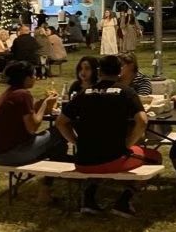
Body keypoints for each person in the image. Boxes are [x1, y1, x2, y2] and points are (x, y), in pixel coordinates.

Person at [56, 55, 154, 217]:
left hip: (83, 161)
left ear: (99, 71)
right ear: (120, 71)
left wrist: (75, 141)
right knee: (154, 159)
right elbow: (142, 121)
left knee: (99, 157)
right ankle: (124, 201)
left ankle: (89, 199)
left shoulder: (84, 93)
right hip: (113, 159)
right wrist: (129, 143)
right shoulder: (125, 92)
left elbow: (60, 122)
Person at [0, 61, 65, 203]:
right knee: (59, 132)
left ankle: (48, 187)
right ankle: (47, 189)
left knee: (56, 145)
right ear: (26, 78)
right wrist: (45, 105)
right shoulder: (22, 95)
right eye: (34, 75)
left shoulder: (9, 93)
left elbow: (25, 116)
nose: (35, 78)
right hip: (11, 153)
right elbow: (33, 127)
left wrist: (40, 104)